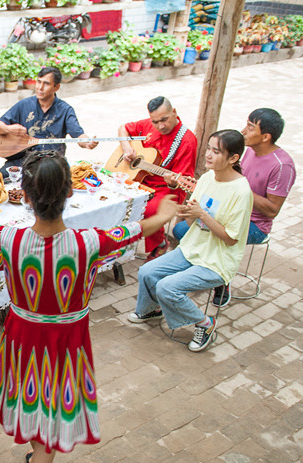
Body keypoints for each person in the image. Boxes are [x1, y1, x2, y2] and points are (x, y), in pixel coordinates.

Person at [0, 151, 177, 463]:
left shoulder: (7, 238)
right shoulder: (89, 242)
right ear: (71, 191)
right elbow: (138, 229)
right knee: (53, 411)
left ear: (24, 196)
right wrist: (166, 214)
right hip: (66, 340)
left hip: (23, 338)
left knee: (32, 404)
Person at [129, 130, 252, 353]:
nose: (209, 155)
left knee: (168, 287)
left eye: (217, 151)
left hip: (217, 259)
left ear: (234, 158)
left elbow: (231, 239)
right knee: (147, 271)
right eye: (209, 149)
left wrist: (202, 214)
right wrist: (186, 212)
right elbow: (194, 214)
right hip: (193, 248)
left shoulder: (241, 192)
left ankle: (205, 324)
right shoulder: (206, 178)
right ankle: (151, 310)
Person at [171, 109, 295, 306]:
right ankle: (196, 271)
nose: (243, 131)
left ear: (266, 136)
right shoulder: (247, 152)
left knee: (204, 235)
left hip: (254, 224)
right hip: (222, 210)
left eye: (250, 127)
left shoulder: (282, 166)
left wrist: (239, 191)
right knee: (180, 229)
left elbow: (272, 210)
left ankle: (221, 279)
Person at [117, 96, 198, 261]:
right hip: (142, 178)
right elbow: (122, 128)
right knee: (115, 195)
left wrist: (173, 181)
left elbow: (183, 179)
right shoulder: (149, 123)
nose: (160, 126)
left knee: (150, 209)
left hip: (167, 187)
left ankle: (160, 244)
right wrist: (127, 148)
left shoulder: (187, 140)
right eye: (155, 122)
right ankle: (117, 243)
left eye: (164, 120)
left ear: (174, 112)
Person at [0, 66, 97, 176]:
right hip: (24, 160)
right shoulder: (24, 104)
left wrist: (87, 142)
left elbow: (79, 135)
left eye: (46, 84)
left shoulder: (65, 110)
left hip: (53, 163)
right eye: (38, 82)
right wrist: (8, 129)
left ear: (56, 87)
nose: (40, 88)